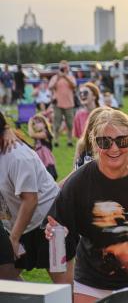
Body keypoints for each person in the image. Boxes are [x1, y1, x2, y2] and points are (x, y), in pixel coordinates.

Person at [46, 108, 128, 302]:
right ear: (94, 143)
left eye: (122, 141)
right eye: (105, 142)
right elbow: (58, 225)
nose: (114, 149)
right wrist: (54, 229)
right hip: (94, 279)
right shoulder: (79, 182)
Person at [0, 111, 76, 283]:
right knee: (5, 278)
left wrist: (14, 237)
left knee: (64, 288)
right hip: (18, 225)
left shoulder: (16, 156)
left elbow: (30, 200)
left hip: (49, 222)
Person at [48, 60, 77, 147]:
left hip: (69, 104)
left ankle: (69, 140)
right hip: (58, 104)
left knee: (70, 124)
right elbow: (50, 87)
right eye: (62, 67)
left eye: (65, 67)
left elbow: (74, 86)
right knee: (56, 123)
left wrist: (65, 77)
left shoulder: (71, 77)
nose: (64, 69)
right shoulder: (55, 77)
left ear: (68, 68)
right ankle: (56, 140)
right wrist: (58, 77)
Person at [28, 114, 58, 180]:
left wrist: (30, 124)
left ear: (44, 124)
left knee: (49, 176)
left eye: (38, 122)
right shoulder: (37, 138)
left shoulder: (46, 133)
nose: (36, 124)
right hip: (39, 159)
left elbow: (32, 135)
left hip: (46, 159)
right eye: (34, 123)